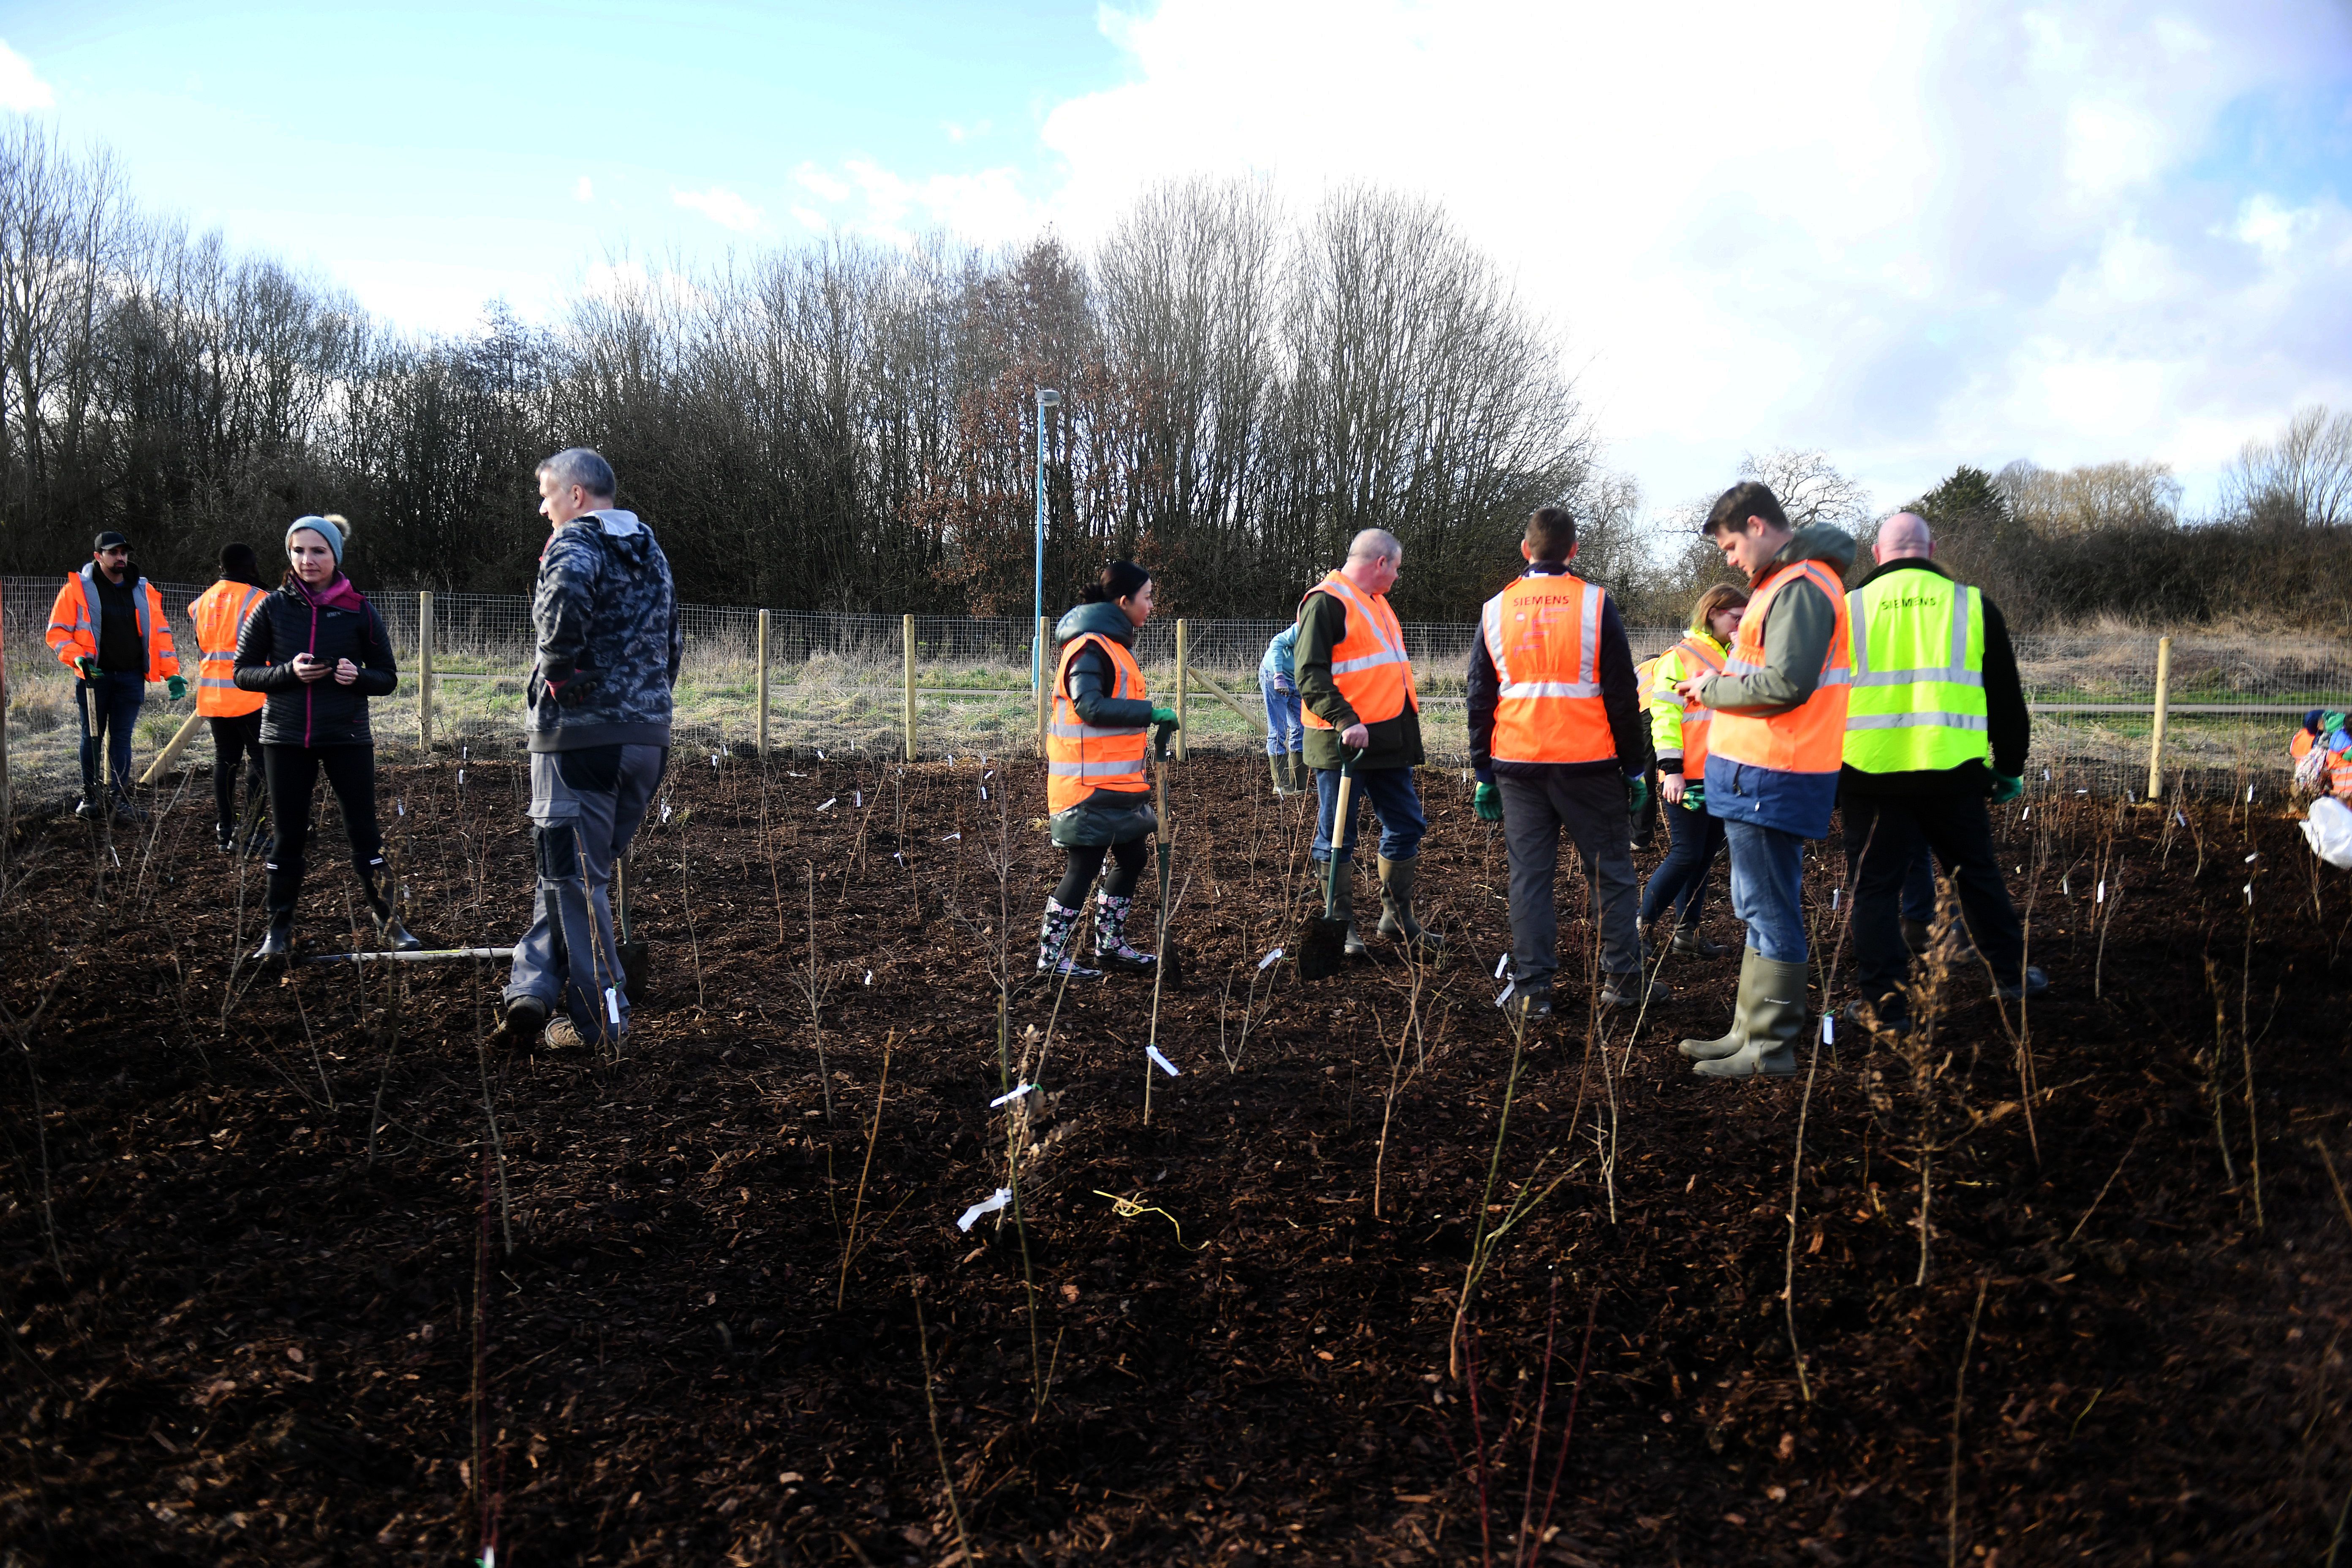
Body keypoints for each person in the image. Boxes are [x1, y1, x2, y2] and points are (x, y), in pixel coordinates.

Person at [496, 449, 680, 1049]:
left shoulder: (574, 544)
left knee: (574, 880)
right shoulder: (652, 553)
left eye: (546, 493)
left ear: (577, 495)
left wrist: (556, 673)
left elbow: (566, 604)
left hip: (579, 740)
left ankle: (601, 1020)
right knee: (576, 873)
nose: (542, 507)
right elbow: (672, 644)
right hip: (647, 741)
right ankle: (531, 987)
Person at [1672, 482, 1856, 1078]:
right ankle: (1747, 1031)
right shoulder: (1785, 583)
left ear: (1756, 526)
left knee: (1769, 908)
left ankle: (1770, 1048)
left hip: (1774, 772)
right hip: (1758, 771)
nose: (1728, 559)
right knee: (1755, 905)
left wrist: (1711, 689)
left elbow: (1785, 684)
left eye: (1729, 545)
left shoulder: (1801, 587)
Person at [1840, 512, 2047, 1029]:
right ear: (1932, 549)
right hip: (1953, 772)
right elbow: (2005, 696)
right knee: (1976, 874)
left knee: (1875, 890)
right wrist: (2010, 767)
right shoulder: (1972, 605)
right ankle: (2013, 977)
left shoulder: (1846, 610)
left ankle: (1887, 1008)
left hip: (1871, 774)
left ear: (1876, 553)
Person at [1468, 505, 1656, 1015]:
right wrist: (1636, 768)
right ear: (1573, 551)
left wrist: (1483, 773)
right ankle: (1623, 983)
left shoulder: (1495, 609)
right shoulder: (1595, 604)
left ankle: (1532, 992)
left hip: (1517, 764)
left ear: (1525, 551)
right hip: (1589, 763)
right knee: (1611, 873)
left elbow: (1480, 697)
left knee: (1529, 878)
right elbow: (1623, 693)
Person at [234, 515, 415, 958]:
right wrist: (287, 672)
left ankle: (389, 922)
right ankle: (279, 930)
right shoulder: (271, 607)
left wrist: (358, 677)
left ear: (335, 555)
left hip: (346, 736)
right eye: (298, 551)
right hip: (285, 737)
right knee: (287, 836)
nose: (307, 560)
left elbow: (388, 677)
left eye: (318, 551)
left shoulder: (359, 609)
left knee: (364, 833)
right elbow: (242, 672)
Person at [1297, 528, 1438, 957]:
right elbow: (1309, 673)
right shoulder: (1327, 601)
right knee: (1337, 833)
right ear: (1381, 563)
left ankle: (1397, 917)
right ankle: (1340, 925)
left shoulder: (1377, 603)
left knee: (1408, 823)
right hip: (1343, 742)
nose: (1397, 576)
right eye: (1396, 567)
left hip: (1386, 741)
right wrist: (1345, 719)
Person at [1037, 560, 1179, 979]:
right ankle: (1051, 957)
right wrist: (1149, 712)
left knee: (1133, 856)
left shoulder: (1116, 647)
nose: (1152, 605)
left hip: (1116, 784)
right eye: (1148, 596)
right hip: (1086, 786)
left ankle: (1110, 946)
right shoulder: (1089, 647)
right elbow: (1090, 706)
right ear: (1124, 601)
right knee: (1084, 865)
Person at [1636, 583, 1748, 958]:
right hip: (1688, 775)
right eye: (1736, 616)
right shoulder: (1679, 657)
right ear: (1713, 613)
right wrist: (1671, 770)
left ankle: (1687, 933)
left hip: (1721, 774)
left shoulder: (1736, 655)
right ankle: (1642, 926)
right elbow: (1664, 718)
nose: (1742, 623)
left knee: (1703, 856)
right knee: (1685, 854)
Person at [46, 530, 184, 821]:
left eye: (124, 553)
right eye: (113, 553)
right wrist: (78, 658)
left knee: (122, 739)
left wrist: (172, 673)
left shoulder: (143, 590)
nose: (120, 557)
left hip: (131, 677)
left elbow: (160, 635)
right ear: (98, 556)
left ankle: (119, 802)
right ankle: (90, 799)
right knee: (92, 737)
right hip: (95, 679)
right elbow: (57, 632)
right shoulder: (77, 589)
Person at [190, 543, 271, 852]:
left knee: (225, 761)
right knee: (261, 760)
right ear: (252, 566)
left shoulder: (201, 602)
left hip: (212, 695)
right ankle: (252, 830)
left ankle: (225, 830)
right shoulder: (258, 599)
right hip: (249, 694)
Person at [1259, 621, 1305, 795]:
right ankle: (1282, 785)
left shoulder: (1331, 637)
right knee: (1278, 731)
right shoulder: (1305, 626)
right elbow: (1277, 642)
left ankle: (1300, 786)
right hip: (1274, 676)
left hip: (1297, 679)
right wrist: (1278, 675)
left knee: (1300, 727)